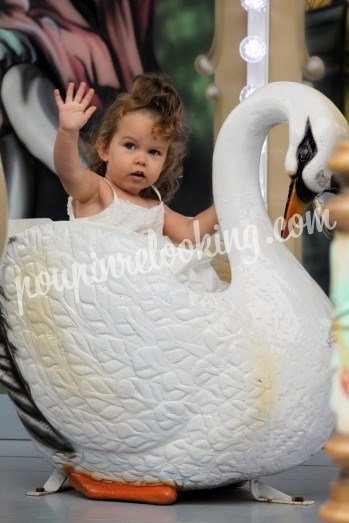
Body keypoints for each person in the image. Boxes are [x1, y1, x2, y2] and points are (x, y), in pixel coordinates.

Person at [53, 72, 226, 292]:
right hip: (112, 285)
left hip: (156, 289)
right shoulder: (97, 191)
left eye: (154, 152)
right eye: (130, 146)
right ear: (105, 148)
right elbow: (68, 171)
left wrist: (223, 203)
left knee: (197, 283)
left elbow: (190, 232)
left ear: (165, 162)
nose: (141, 159)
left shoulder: (154, 206)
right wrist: (68, 132)